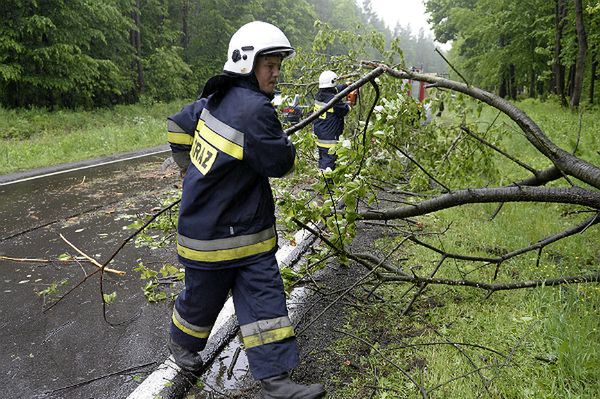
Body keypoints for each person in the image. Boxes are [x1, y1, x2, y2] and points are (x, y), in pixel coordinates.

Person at [166, 21, 326, 399]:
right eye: (268, 65)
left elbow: (177, 126)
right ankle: (185, 347)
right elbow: (280, 163)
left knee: (262, 300)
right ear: (245, 64)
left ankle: (276, 383)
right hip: (215, 236)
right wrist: (284, 143)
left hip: (236, 230)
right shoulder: (254, 110)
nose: (275, 73)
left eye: (277, 65)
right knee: (203, 301)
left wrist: (190, 170)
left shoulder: (215, 99)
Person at [312, 70, 351, 172]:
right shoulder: (334, 101)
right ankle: (327, 184)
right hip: (329, 137)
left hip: (319, 134)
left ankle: (323, 180)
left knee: (323, 158)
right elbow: (344, 110)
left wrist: (346, 86)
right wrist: (350, 104)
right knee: (329, 162)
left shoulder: (319, 95)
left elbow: (334, 90)